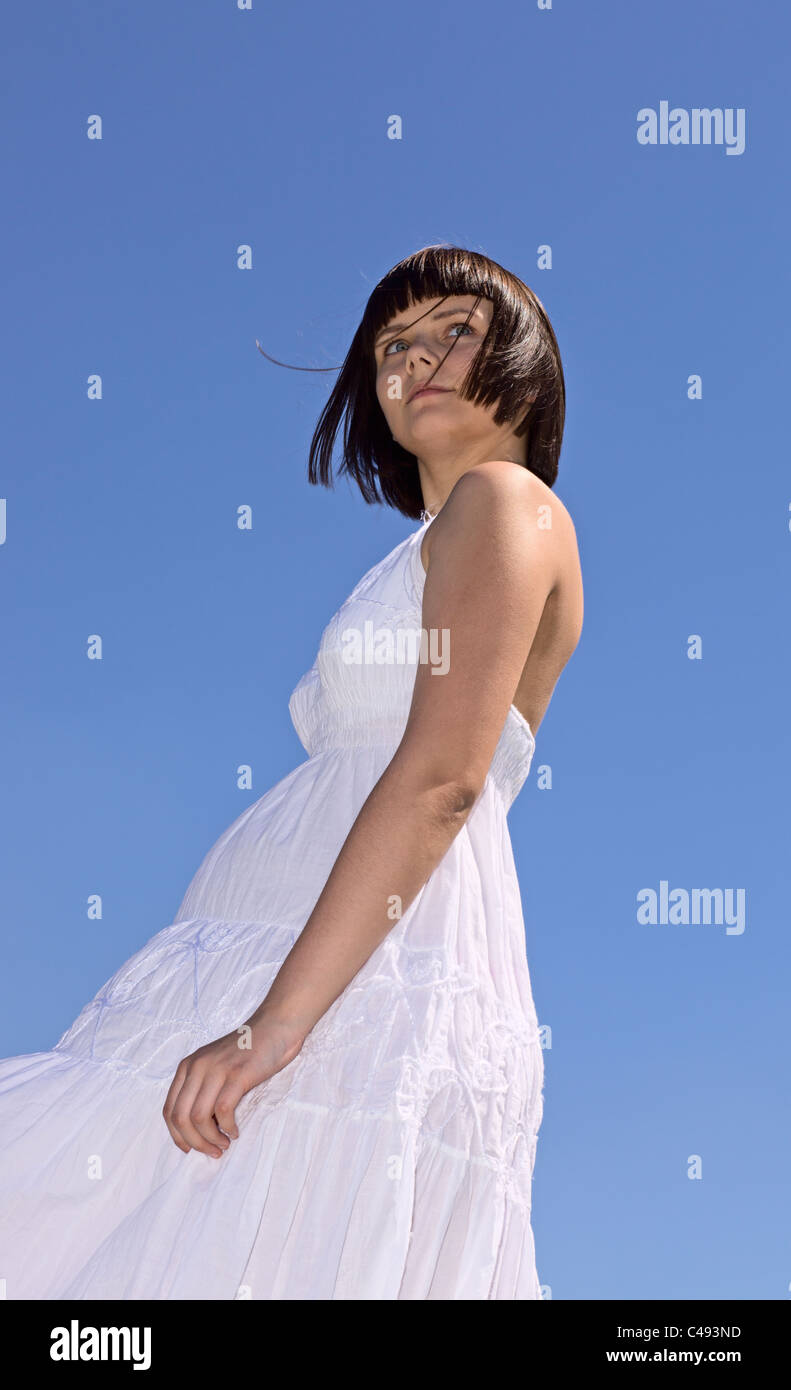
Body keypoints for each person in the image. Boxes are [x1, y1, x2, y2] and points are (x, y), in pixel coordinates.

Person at [0, 244, 583, 1300]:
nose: (415, 358)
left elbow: (445, 776)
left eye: (452, 328)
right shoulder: (430, 539)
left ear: (524, 361)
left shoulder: (507, 502)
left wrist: (274, 1027)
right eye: (390, 348)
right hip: (282, 950)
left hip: (352, 977)